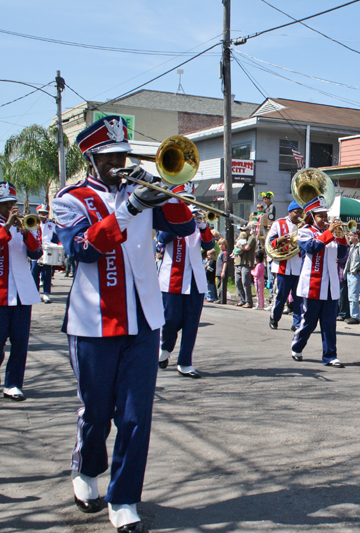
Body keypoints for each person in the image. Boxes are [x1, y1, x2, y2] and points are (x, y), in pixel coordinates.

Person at [53, 115, 195, 532]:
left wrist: (163, 190)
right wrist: (130, 208)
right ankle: (86, 470)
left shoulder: (141, 189)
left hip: (145, 320)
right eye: (110, 156)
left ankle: (125, 497)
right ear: (92, 160)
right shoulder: (70, 198)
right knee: (96, 411)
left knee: (136, 415)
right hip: (93, 322)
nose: (119, 162)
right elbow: (84, 249)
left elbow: (185, 225)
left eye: (123, 154)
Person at [157, 194, 215, 378]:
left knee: (191, 325)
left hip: (195, 281)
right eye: (185, 203)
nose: (189, 206)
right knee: (171, 319)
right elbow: (163, 238)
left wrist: (204, 226)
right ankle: (165, 348)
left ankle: (185, 362)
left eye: (191, 202)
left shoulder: (198, 223)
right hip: (172, 279)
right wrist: (180, 220)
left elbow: (209, 245)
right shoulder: (168, 219)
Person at [290, 197, 348, 366]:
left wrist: (342, 236)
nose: (324, 219)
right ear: (312, 217)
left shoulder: (330, 233)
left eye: (325, 215)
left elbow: (342, 254)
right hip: (312, 285)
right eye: (320, 216)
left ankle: (330, 356)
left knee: (329, 324)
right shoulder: (305, 231)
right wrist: (329, 232)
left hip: (331, 286)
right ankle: (297, 346)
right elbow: (312, 248)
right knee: (309, 322)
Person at [0, 183, 42, 401]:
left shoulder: (22, 225)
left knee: (20, 343)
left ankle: (13, 383)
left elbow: (36, 253)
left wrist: (26, 233)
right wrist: (6, 227)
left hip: (22, 294)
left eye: (12, 205)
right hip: (1, 295)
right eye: (6, 205)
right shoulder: (5, 227)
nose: (10, 209)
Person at [267, 201, 304, 331]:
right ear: (290, 212)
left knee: (299, 297)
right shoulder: (279, 223)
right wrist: (279, 240)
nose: (299, 215)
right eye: (297, 212)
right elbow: (270, 242)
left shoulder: (304, 225)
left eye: (301, 212)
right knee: (281, 296)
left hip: (299, 266)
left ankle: (297, 323)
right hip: (283, 266)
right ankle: (274, 318)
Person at [31, 203, 59, 303]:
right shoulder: (32, 223)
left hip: (48, 250)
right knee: (34, 272)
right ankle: (35, 294)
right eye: (41, 213)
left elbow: (58, 235)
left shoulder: (51, 225)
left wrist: (59, 245)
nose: (42, 215)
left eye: (44, 213)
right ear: (37, 213)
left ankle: (46, 293)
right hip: (36, 250)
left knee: (47, 273)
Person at [344, 228, 360, 324]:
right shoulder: (352, 247)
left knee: (353, 296)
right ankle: (352, 315)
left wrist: (356, 270)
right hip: (349, 274)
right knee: (350, 296)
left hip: (355, 275)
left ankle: (355, 316)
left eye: (350, 235)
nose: (348, 237)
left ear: (356, 236)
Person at [234, 222, 257, 308]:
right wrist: (238, 245)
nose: (242, 232)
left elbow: (247, 248)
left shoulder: (251, 238)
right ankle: (241, 300)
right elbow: (235, 247)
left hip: (246, 263)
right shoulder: (240, 238)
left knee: (245, 282)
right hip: (238, 262)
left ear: (249, 230)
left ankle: (249, 302)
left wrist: (239, 245)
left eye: (244, 230)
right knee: (237, 282)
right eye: (241, 230)